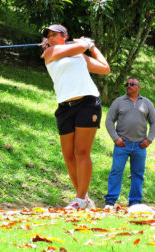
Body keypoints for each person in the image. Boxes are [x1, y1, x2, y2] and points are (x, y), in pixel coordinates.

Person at [41, 24, 110, 209]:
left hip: (87, 103)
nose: (52, 38)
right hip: (64, 106)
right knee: (68, 155)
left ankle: (80, 200)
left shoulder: (79, 55)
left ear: (65, 36)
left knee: (81, 152)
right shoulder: (50, 52)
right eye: (49, 36)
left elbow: (105, 68)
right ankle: (84, 199)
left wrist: (93, 48)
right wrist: (85, 42)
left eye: (56, 34)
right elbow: (79, 46)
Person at [104, 78, 155, 209]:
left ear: (138, 87)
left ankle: (134, 202)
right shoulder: (119, 102)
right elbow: (109, 121)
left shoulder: (146, 103)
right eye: (127, 84)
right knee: (116, 172)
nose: (129, 86)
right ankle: (110, 202)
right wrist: (115, 138)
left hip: (140, 145)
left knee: (138, 174)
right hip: (122, 144)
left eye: (132, 84)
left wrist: (149, 139)